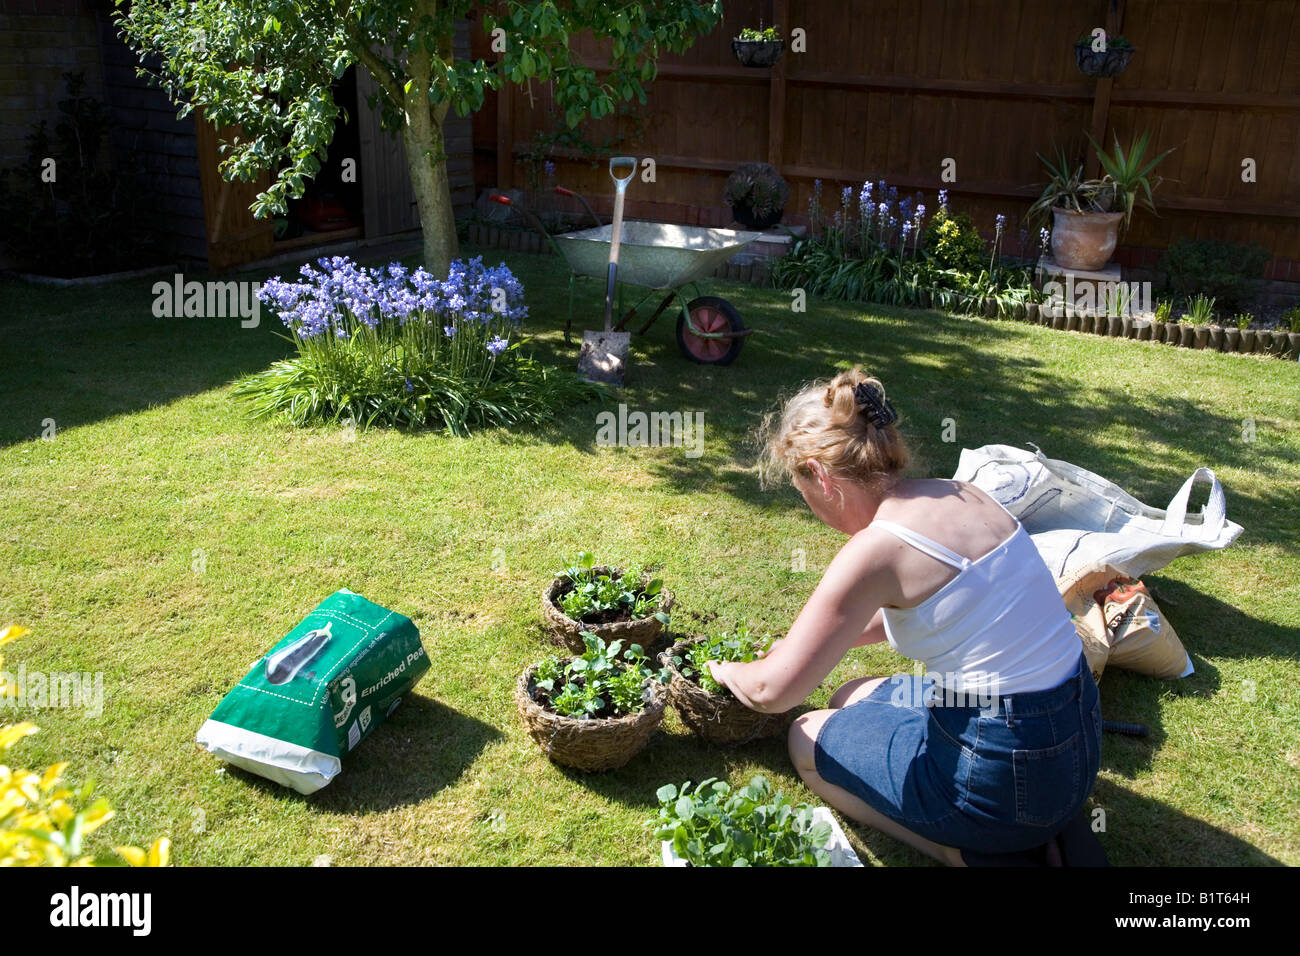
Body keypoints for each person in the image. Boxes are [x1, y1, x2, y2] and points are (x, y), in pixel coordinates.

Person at [707, 367, 1102, 865]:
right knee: (850, 693)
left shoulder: (877, 549)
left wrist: (726, 670)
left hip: (1004, 779)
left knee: (804, 737)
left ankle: (970, 852)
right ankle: (1020, 830)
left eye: (802, 492)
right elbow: (939, 610)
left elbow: (771, 692)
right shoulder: (962, 495)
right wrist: (805, 645)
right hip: (1076, 740)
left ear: (822, 477)